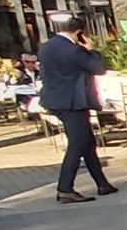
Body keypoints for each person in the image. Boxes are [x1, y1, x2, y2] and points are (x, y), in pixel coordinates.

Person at [38, 12, 119, 203]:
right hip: (73, 102)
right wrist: (92, 50)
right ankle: (65, 188)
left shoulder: (47, 47)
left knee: (87, 142)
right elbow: (99, 68)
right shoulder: (73, 50)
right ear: (79, 31)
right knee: (77, 144)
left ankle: (102, 183)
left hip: (56, 100)